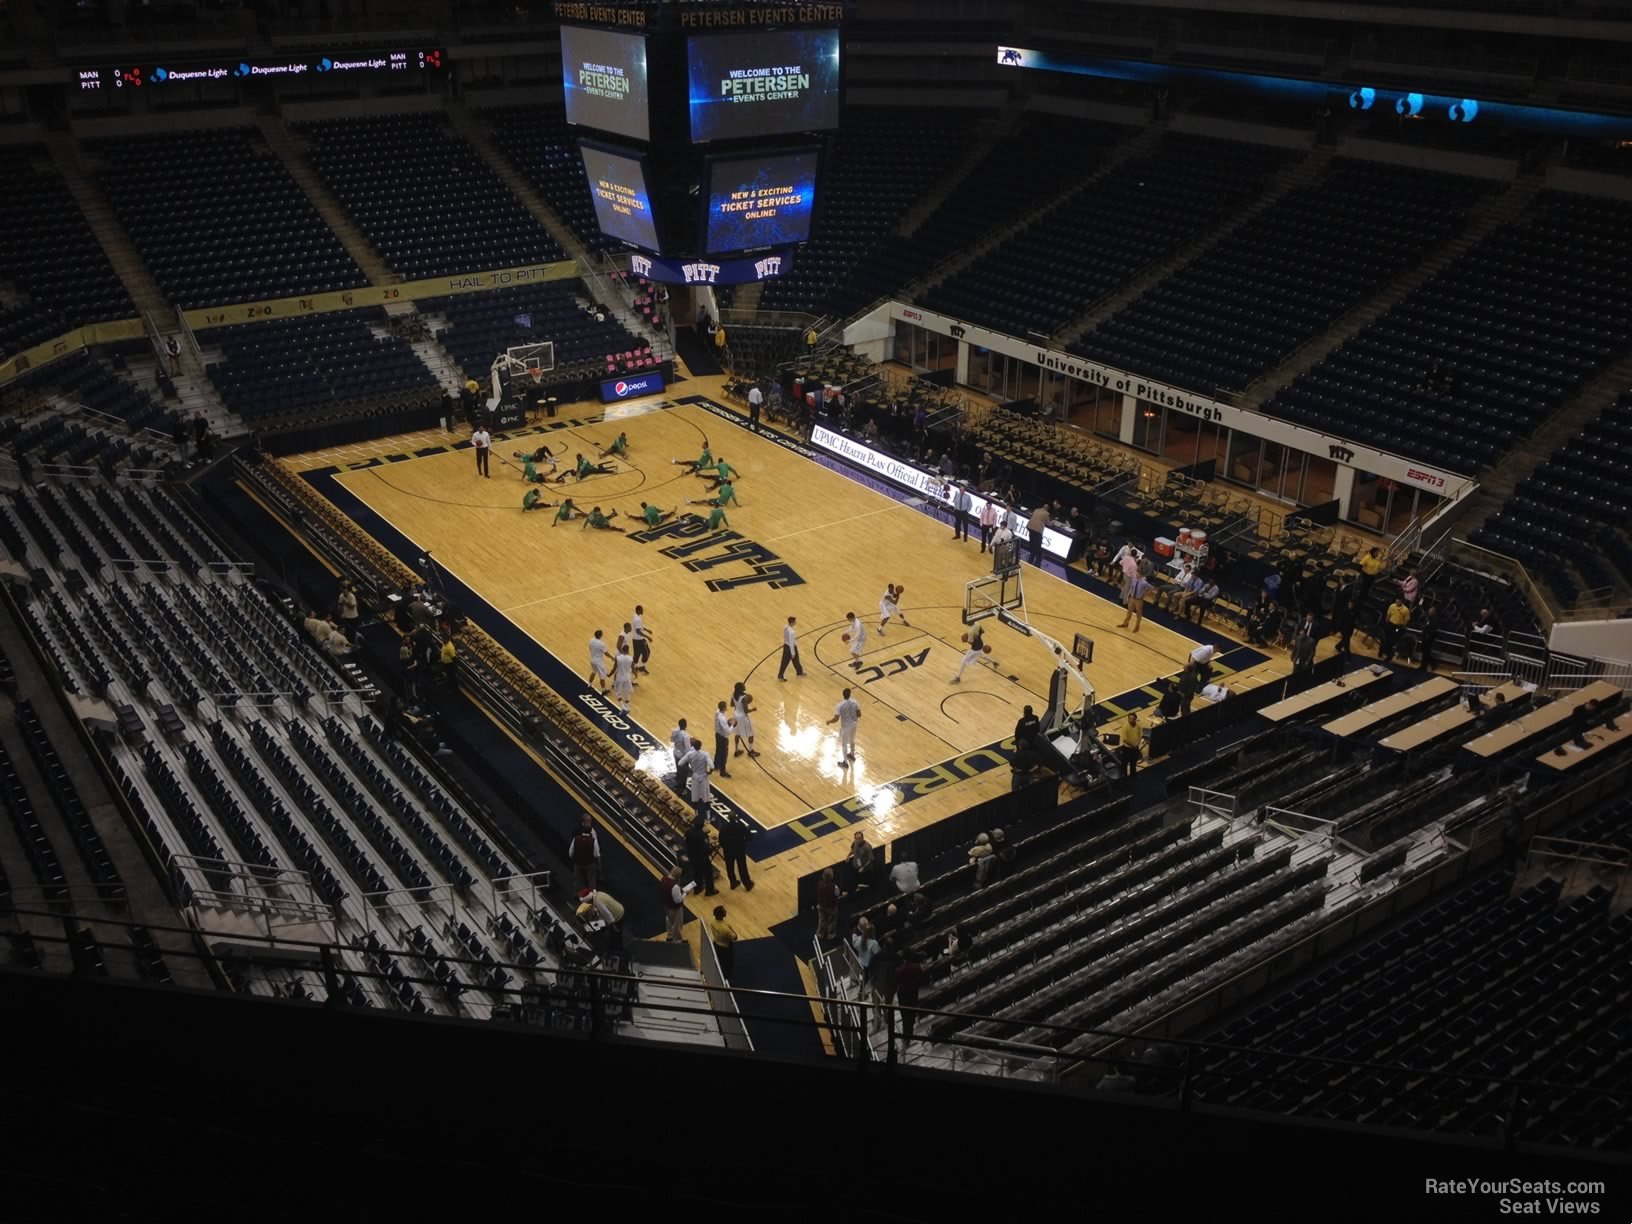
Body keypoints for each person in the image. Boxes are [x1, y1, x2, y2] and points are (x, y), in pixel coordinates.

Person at [893, 946, 925, 1043]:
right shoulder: (917, 967)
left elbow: (896, 982)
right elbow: (921, 980)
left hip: (902, 994)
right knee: (911, 1013)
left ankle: (906, 1036)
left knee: (904, 1015)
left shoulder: (899, 970)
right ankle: (909, 1034)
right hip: (913, 992)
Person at [680, 736, 714, 818]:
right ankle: (708, 817)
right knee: (706, 799)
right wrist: (709, 772)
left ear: (693, 746)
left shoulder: (689, 754)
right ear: (701, 746)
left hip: (695, 776)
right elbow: (712, 766)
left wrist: (689, 770)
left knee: (694, 798)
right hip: (703, 777)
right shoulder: (705, 754)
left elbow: (680, 763)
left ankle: (696, 814)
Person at [718, 817, 753, 891]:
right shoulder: (740, 826)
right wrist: (743, 842)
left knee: (729, 867)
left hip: (728, 851)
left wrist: (725, 846)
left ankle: (733, 883)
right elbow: (749, 836)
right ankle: (747, 884)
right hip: (739, 849)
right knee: (742, 867)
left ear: (729, 818)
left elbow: (720, 840)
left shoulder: (724, 827)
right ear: (735, 819)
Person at [685, 816, 717, 897]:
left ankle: (697, 889)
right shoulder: (702, 836)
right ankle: (709, 890)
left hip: (692, 856)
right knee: (708, 874)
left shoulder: (688, 832)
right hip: (702, 858)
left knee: (697, 873)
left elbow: (687, 843)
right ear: (701, 825)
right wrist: (711, 850)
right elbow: (705, 848)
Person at [829, 687, 861, 767]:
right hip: (854, 724)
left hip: (846, 727)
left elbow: (836, 719)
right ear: (850, 694)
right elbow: (859, 714)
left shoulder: (840, 705)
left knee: (844, 744)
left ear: (843, 695)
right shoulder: (855, 702)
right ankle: (852, 755)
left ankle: (845, 763)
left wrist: (829, 721)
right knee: (852, 741)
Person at [570, 813, 601, 892]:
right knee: (591, 881)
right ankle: (592, 897)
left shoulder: (576, 839)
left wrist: (575, 859)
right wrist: (597, 864)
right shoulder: (593, 840)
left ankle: (579, 895)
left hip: (578, 862)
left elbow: (571, 852)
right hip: (590, 863)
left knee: (578, 880)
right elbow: (597, 854)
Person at [850, 918, 881, 994]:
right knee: (869, 978)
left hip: (863, 962)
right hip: (869, 964)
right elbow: (878, 954)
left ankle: (862, 991)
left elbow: (857, 945)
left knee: (865, 978)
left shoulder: (860, 939)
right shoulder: (873, 943)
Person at [708, 905, 738, 978]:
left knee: (719, 962)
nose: (726, 911)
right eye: (724, 911)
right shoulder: (725, 930)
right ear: (721, 914)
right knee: (727, 965)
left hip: (716, 943)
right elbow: (735, 937)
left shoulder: (712, 920)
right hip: (725, 948)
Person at [659, 865, 687, 943]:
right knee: (677, 924)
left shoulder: (664, 879)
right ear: (679, 876)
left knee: (669, 920)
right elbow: (677, 900)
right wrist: (684, 894)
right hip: (675, 908)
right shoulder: (675, 886)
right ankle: (677, 941)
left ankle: (669, 936)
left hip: (666, 905)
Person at [731, 682, 758, 758]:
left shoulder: (733, 694)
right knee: (751, 733)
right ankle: (751, 751)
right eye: (743, 686)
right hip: (743, 717)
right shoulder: (744, 698)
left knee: (737, 733)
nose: (744, 686)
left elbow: (731, 704)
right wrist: (753, 709)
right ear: (741, 688)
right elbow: (746, 711)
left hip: (736, 715)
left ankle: (736, 751)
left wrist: (737, 706)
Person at [1381, 596, 1411, 663]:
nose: (1397, 601)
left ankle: (1389, 656)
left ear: (1402, 601)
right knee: (1386, 639)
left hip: (1397, 627)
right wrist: (1387, 623)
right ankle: (1383, 651)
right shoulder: (1392, 606)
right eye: (1396, 600)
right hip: (1390, 624)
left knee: (1392, 642)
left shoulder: (1405, 610)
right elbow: (1388, 615)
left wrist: (1402, 626)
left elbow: (1407, 620)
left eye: (1399, 600)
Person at [816, 867, 840, 940]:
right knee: (831, 921)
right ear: (832, 877)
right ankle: (831, 935)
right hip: (831, 907)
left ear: (823, 876)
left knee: (822, 920)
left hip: (821, 906)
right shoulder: (834, 887)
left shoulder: (819, 884)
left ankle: (820, 933)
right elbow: (837, 894)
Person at [778, 615, 805, 680]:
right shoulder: (791, 632)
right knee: (785, 662)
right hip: (790, 648)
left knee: (796, 660)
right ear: (792, 622)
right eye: (795, 621)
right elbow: (791, 643)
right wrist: (793, 653)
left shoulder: (786, 627)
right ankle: (780, 676)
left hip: (786, 646)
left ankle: (799, 672)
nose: (796, 622)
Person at [713, 700, 734, 779]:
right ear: (723, 708)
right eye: (726, 706)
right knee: (723, 754)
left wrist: (727, 722)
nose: (727, 707)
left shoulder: (717, 712)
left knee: (718, 750)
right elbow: (728, 731)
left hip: (717, 734)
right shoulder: (722, 718)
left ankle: (716, 765)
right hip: (722, 737)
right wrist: (732, 725)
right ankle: (723, 771)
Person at [611, 643, 634, 714]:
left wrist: (609, 674)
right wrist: (636, 674)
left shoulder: (618, 658)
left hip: (619, 677)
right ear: (628, 650)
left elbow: (614, 668)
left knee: (618, 693)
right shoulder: (631, 659)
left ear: (622, 650)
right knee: (627, 693)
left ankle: (623, 707)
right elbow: (633, 669)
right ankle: (627, 707)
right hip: (627, 678)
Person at [630, 604, 653, 675]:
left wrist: (647, 630)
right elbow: (638, 631)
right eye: (642, 610)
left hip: (635, 639)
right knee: (646, 653)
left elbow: (639, 627)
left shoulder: (635, 616)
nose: (643, 611)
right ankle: (641, 667)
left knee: (637, 655)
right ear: (638, 610)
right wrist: (647, 637)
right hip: (639, 640)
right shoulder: (637, 619)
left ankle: (635, 668)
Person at [1417, 604, 1439, 669]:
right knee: (1425, 651)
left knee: (1426, 652)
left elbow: (1433, 630)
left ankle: (1425, 666)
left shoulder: (1435, 620)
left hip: (1429, 638)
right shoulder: (1430, 618)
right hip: (1426, 637)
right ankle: (1432, 664)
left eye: (1431, 611)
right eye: (1429, 610)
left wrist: (1427, 636)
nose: (1429, 612)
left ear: (1434, 611)